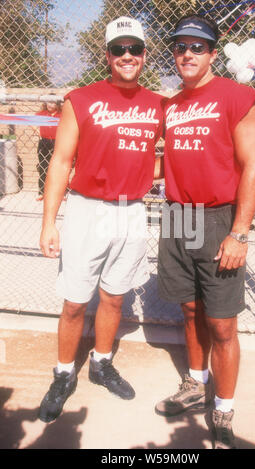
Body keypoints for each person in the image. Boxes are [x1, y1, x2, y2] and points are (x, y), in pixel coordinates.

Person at [38, 16, 165, 423]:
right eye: (118, 49)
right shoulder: (82, 99)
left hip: (131, 210)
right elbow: (60, 162)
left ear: (145, 53)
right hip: (86, 209)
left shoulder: (159, 104)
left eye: (134, 48)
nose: (127, 56)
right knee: (75, 301)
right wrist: (49, 221)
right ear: (107, 55)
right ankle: (62, 373)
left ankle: (101, 363)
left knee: (114, 296)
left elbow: (161, 160)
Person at [155, 14, 255, 449]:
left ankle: (222, 408)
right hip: (178, 215)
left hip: (220, 218)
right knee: (188, 311)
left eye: (197, 46)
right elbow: (167, 162)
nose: (187, 53)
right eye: (181, 46)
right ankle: (195, 384)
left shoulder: (238, 96)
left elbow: (253, 165)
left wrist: (239, 232)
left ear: (213, 54)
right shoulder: (172, 104)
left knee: (221, 324)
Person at [36, 98, 62, 201]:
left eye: (52, 102)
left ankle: (61, 192)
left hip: (57, 142)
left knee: (59, 167)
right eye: (48, 102)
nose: (49, 104)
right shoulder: (42, 114)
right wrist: (38, 132)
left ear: (57, 104)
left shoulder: (61, 115)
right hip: (44, 142)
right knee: (43, 167)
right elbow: (31, 122)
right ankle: (41, 191)